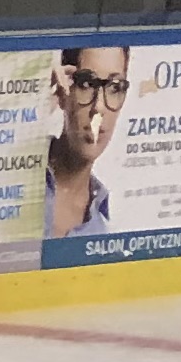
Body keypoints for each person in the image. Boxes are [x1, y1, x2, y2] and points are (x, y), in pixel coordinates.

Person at [47, 44, 129, 235]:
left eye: (115, 87)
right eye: (86, 84)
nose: (99, 107)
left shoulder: (104, 224)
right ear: (62, 89)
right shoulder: (17, 172)